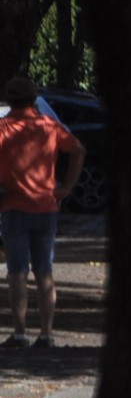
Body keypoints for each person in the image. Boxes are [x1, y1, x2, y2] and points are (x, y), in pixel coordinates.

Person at [0, 76, 86, 349]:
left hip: (13, 207)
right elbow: (78, 150)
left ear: (9, 100)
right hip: (47, 206)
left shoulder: (2, 129)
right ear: (33, 99)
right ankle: (47, 333)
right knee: (44, 271)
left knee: (17, 272)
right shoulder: (49, 126)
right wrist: (68, 187)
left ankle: (20, 332)